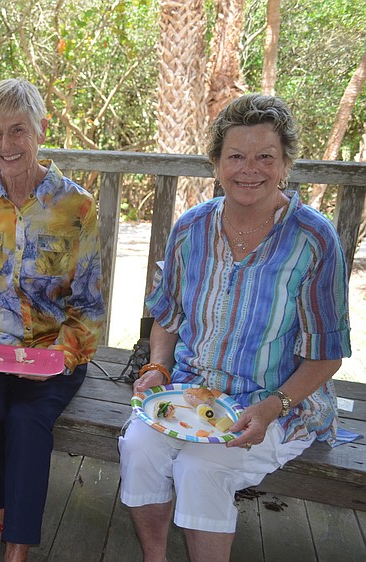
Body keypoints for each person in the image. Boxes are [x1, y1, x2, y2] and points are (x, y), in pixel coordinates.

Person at [119, 94, 352, 562]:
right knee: (139, 448)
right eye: (236, 157)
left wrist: (271, 407)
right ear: (216, 164)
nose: (250, 169)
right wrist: (159, 369)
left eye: (265, 156)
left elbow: (328, 353)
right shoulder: (192, 228)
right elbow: (167, 314)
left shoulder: (314, 240)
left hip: (274, 403)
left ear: (285, 163)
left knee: (202, 468)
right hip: (188, 396)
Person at [0, 78, 105, 562]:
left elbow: (90, 304)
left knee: (29, 417)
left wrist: (63, 354)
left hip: (55, 351)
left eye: (18, 131)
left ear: (41, 130)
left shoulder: (76, 207)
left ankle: (16, 547)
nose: (6, 145)